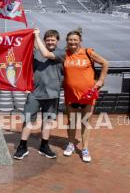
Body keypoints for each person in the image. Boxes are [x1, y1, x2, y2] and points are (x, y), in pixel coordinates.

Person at [34, 27, 109, 163]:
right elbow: (46, 54)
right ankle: (70, 143)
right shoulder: (65, 54)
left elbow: (105, 63)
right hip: (71, 94)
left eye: (75, 40)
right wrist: (36, 36)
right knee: (72, 121)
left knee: (85, 121)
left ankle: (85, 148)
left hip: (88, 94)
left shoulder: (88, 52)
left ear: (80, 41)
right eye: (70, 40)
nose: (72, 42)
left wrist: (101, 81)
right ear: (67, 41)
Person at [13, 29, 64, 160]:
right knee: (28, 120)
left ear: (57, 41)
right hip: (34, 93)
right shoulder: (36, 52)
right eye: (48, 39)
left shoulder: (61, 52)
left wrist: (36, 36)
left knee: (47, 122)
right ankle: (22, 146)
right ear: (45, 40)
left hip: (52, 93)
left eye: (53, 39)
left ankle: (44, 146)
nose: (50, 42)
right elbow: (23, 65)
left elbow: (46, 54)